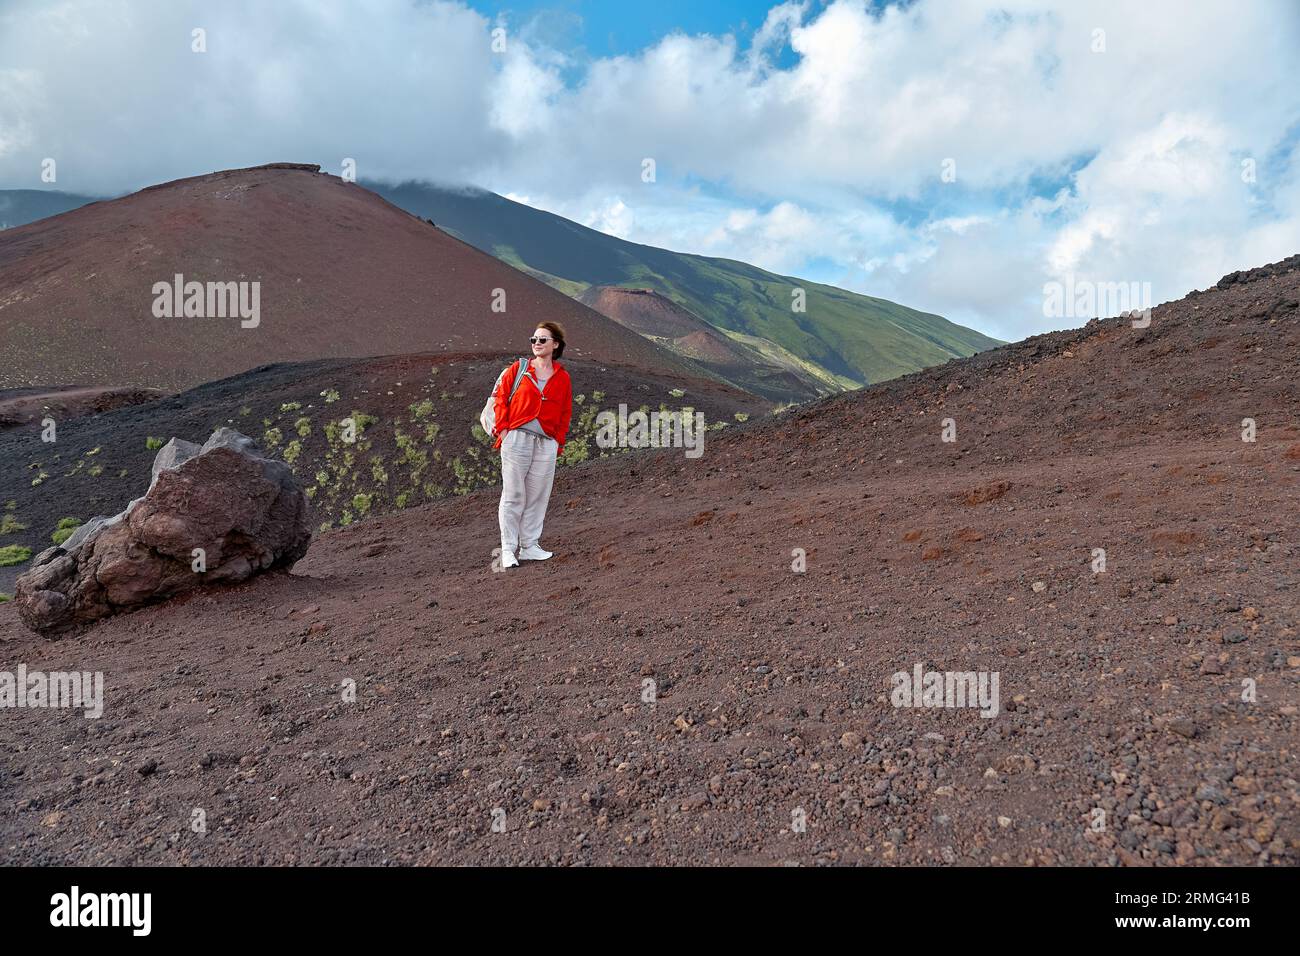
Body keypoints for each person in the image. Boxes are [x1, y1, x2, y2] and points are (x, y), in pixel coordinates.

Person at [491, 322, 573, 568]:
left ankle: (530, 546)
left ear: (555, 345)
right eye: (534, 340)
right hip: (517, 439)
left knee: (538, 495)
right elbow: (501, 399)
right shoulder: (518, 369)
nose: (536, 344)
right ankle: (508, 549)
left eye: (542, 340)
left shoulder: (563, 377)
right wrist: (504, 431)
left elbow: (565, 412)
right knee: (514, 494)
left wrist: (557, 441)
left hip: (546, 443)